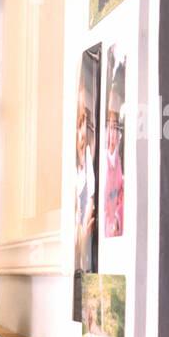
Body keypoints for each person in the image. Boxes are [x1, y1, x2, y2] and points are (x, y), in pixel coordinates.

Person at [75, 72, 96, 272]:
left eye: (87, 124)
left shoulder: (90, 170)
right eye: (80, 124)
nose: (82, 133)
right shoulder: (75, 178)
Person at [103, 58, 125, 238]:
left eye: (116, 127)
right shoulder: (106, 162)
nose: (112, 134)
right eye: (109, 126)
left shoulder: (117, 161)